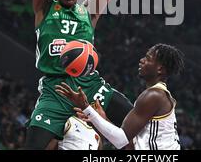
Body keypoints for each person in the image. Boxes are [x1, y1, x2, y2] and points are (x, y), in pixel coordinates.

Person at [24, 0, 133, 149]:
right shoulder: (44, 8)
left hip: (90, 85)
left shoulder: (89, 12)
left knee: (136, 121)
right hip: (56, 89)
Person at [56, 44, 184, 150]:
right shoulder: (157, 95)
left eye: (148, 58)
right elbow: (127, 144)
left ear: (160, 69)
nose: (142, 60)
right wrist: (102, 118)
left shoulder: (154, 96)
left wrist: (86, 107)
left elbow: (120, 140)